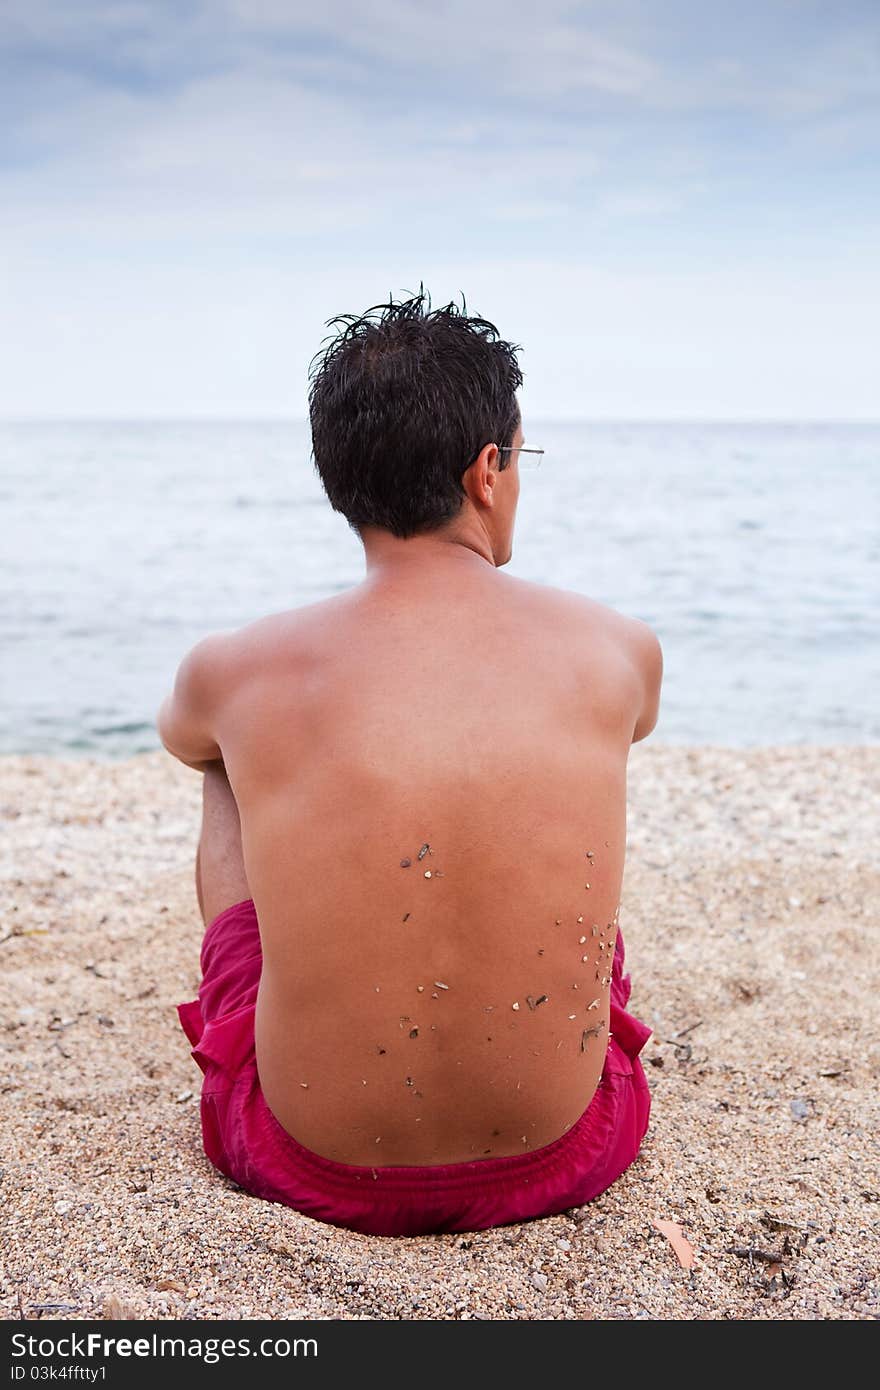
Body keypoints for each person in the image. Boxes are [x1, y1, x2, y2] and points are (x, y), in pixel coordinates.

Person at [158, 289, 662, 1236]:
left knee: (226, 757)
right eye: (524, 457)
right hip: (568, 1150)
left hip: (302, 1160)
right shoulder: (616, 648)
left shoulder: (236, 668)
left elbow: (182, 736)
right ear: (487, 470)